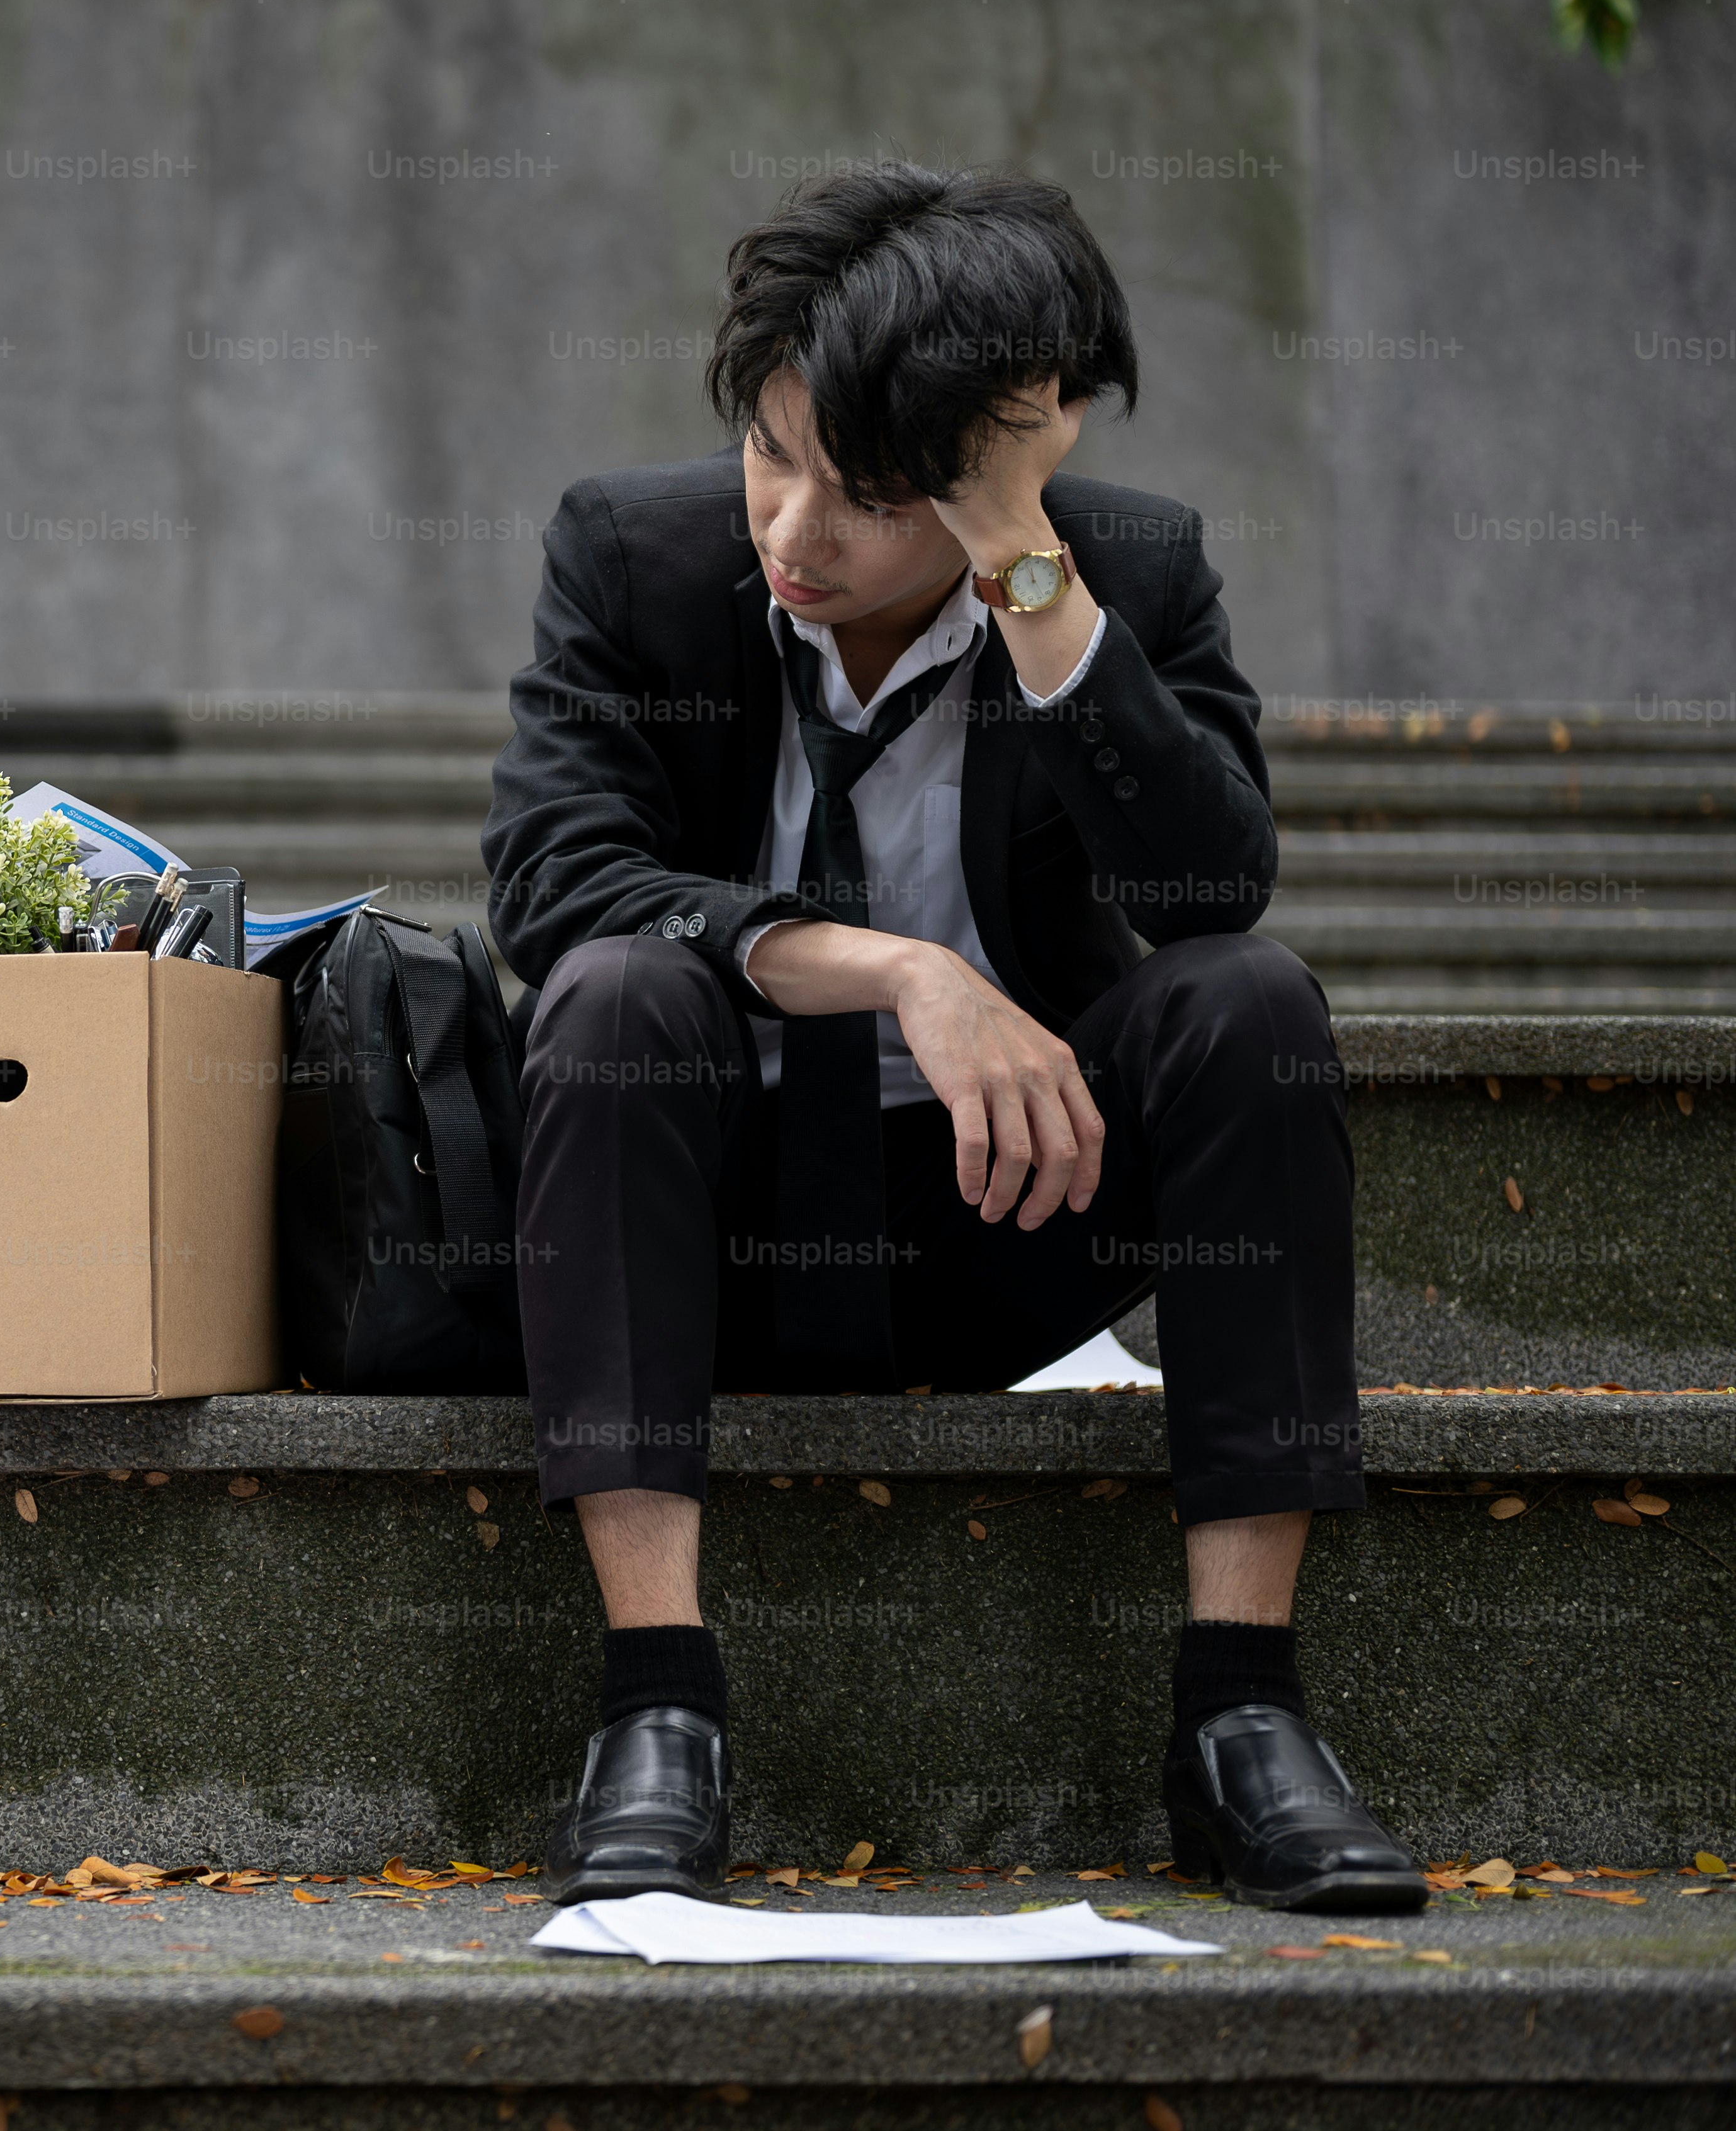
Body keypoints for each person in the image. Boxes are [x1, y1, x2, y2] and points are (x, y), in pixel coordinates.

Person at [480, 164, 1426, 1916]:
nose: (793, 530)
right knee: (614, 995)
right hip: (719, 1239)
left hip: (1013, 1213)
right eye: (772, 453)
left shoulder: (1116, 569)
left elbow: (1211, 882)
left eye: (870, 492)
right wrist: (901, 971)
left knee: (1250, 1004)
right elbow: (553, 887)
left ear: (1000, 472)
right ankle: (656, 1711)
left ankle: (1243, 1720)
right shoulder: (636, 560)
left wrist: (1025, 572)